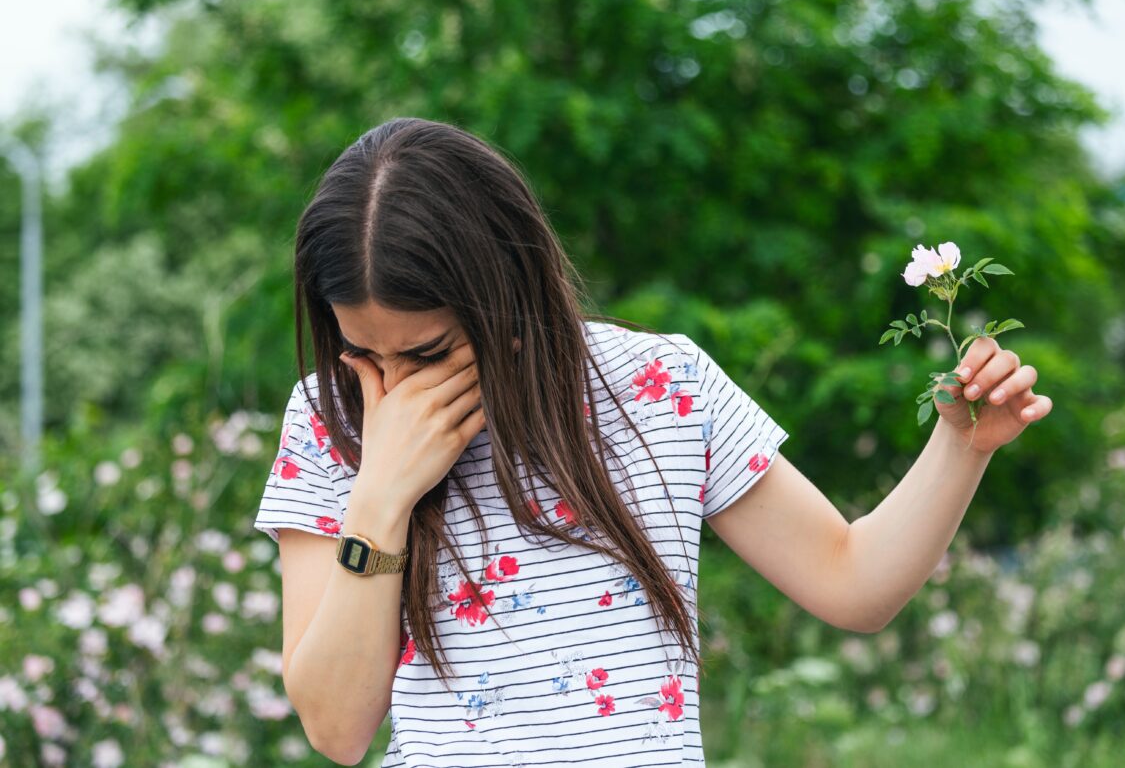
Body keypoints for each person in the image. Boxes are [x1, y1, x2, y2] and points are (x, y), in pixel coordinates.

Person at [254, 117, 1050, 766]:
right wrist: (381, 497)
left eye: (426, 354)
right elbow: (336, 727)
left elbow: (853, 581)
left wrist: (962, 447)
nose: (393, 387)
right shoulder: (331, 419)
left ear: (501, 289)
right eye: (366, 353)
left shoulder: (659, 383)